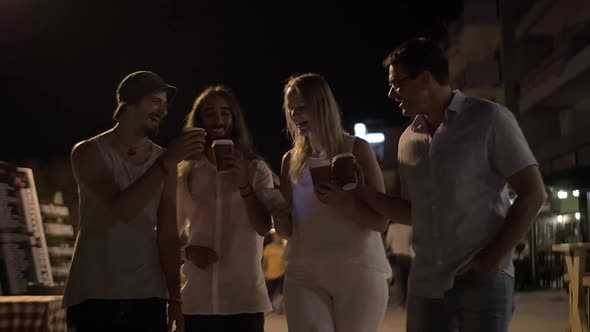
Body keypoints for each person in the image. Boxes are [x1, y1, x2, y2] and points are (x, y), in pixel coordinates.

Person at [358, 37, 547, 332]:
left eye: (397, 84)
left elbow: (533, 193)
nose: (391, 93)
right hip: (425, 283)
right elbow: (413, 212)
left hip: (482, 279)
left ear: (425, 79)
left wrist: (490, 259)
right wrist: (363, 193)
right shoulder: (408, 140)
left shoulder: (489, 118)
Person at [63, 70, 207, 332]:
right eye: (155, 101)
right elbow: (123, 208)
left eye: (165, 104)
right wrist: (166, 163)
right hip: (95, 294)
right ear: (128, 105)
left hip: (148, 296)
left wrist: (175, 297)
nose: (163, 111)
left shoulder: (165, 160)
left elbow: (167, 233)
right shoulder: (88, 152)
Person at [269, 73, 392, 332]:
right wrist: (278, 214)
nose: (294, 114)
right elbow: (287, 231)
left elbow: (381, 221)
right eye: (290, 108)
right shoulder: (289, 160)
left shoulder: (356, 148)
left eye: (301, 107)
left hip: (358, 270)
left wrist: (345, 203)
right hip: (304, 272)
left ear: (322, 105)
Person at [176, 85, 273, 332]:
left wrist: (244, 185)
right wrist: (187, 253)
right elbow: (164, 233)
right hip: (197, 301)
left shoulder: (256, 170)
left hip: (244, 301)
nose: (218, 119)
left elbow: (264, 226)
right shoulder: (186, 173)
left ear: (234, 119)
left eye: (225, 112)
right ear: (199, 121)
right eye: (209, 113)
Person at [385, 223, 413, 308]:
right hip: (407, 256)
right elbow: (412, 243)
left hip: (396, 256)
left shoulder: (392, 227)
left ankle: (400, 302)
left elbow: (388, 242)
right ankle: (406, 302)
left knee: (399, 280)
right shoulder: (410, 228)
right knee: (406, 280)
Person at [262, 233, 286, 313]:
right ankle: (270, 307)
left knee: (279, 293)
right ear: (273, 238)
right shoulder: (269, 248)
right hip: (270, 274)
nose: (278, 238)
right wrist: (264, 272)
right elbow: (265, 262)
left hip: (281, 274)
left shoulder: (283, 249)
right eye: (276, 236)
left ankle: (278, 307)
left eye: (279, 237)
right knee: (269, 292)